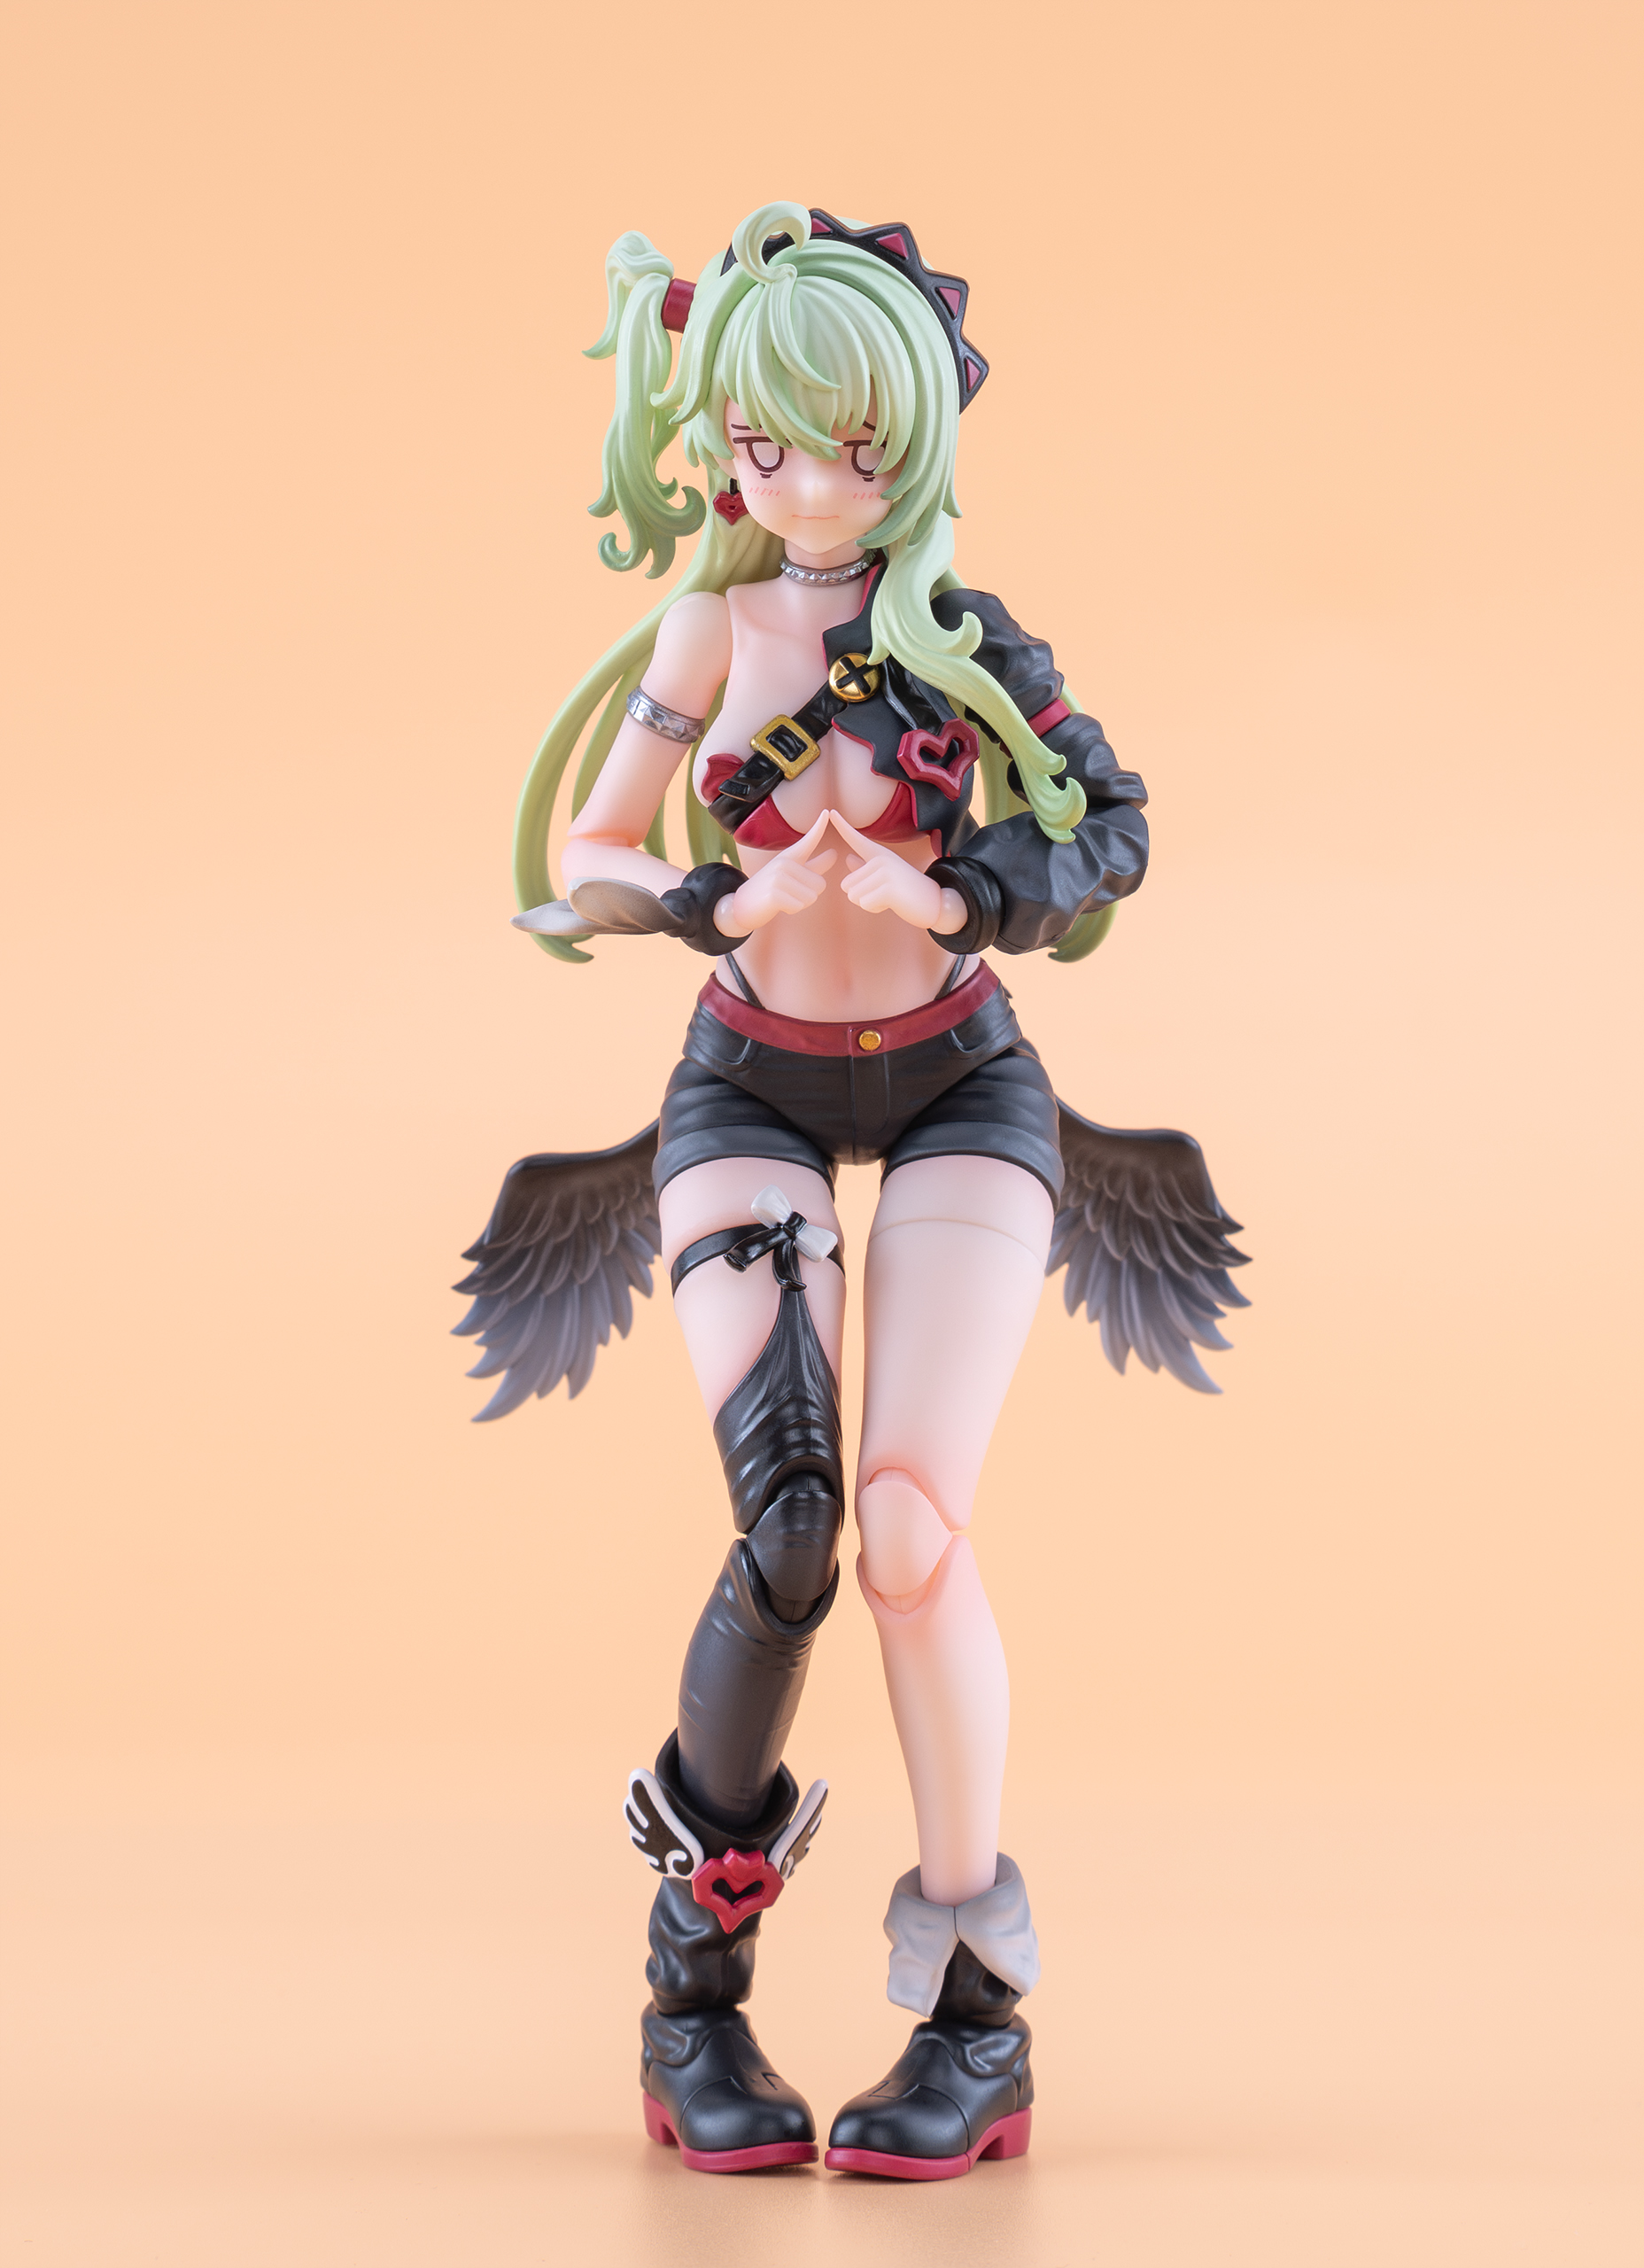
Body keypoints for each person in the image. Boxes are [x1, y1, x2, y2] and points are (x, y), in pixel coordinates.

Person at [454, 201, 1248, 2179]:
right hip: (749, 1078)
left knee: (907, 1527)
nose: (805, 485)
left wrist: (951, 888)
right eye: (763, 444)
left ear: (917, 441)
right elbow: (587, 853)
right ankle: (693, 1992)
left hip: (965, 1073)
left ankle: (977, 2017)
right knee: (796, 1520)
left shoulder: (964, 643)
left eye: (851, 446)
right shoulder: (709, 634)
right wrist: (711, 900)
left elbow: (1115, 828)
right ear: (720, 443)